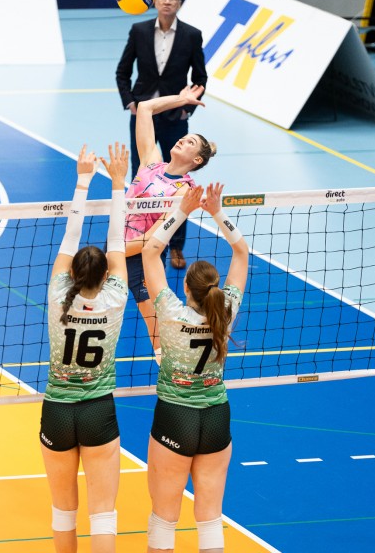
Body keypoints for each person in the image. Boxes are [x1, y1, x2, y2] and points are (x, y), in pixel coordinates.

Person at [140, 183, 248, 553]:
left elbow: (151, 252)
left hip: (175, 415)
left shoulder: (170, 312)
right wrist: (216, 211)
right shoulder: (226, 312)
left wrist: (182, 210)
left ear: (185, 287)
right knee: (210, 519)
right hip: (216, 416)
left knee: (164, 518)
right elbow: (242, 253)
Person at [40, 142, 129, 553]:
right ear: (107, 274)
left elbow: (70, 234)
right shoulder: (116, 297)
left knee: (63, 512)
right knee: (103, 513)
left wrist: (83, 180)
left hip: (58, 410)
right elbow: (117, 240)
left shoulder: (58, 293)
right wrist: (118, 183)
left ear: (72, 272)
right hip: (98, 410)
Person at [116, 0, 208, 270]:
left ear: (179, 3)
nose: (167, 1)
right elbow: (122, 71)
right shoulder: (139, 30)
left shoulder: (191, 35)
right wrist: (131, 103)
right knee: (142, 175)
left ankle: (175, 245)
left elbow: (200, 78)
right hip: (144, 113)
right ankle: (132, 233)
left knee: (178, 182)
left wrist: (185, 110)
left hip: (174, 117)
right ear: (155, 1)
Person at [126, 85, 216, 363]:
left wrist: (114, 253)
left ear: (197, 160)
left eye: (190, 143)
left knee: (158, 335)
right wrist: (181, 99)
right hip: (116, 245)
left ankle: (173, 376)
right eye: (184, 138)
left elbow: (153, 240)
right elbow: (145, 108)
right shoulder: (150, 163)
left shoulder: (185, 192)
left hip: (142, 256)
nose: (182, 141)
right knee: (88, 307)